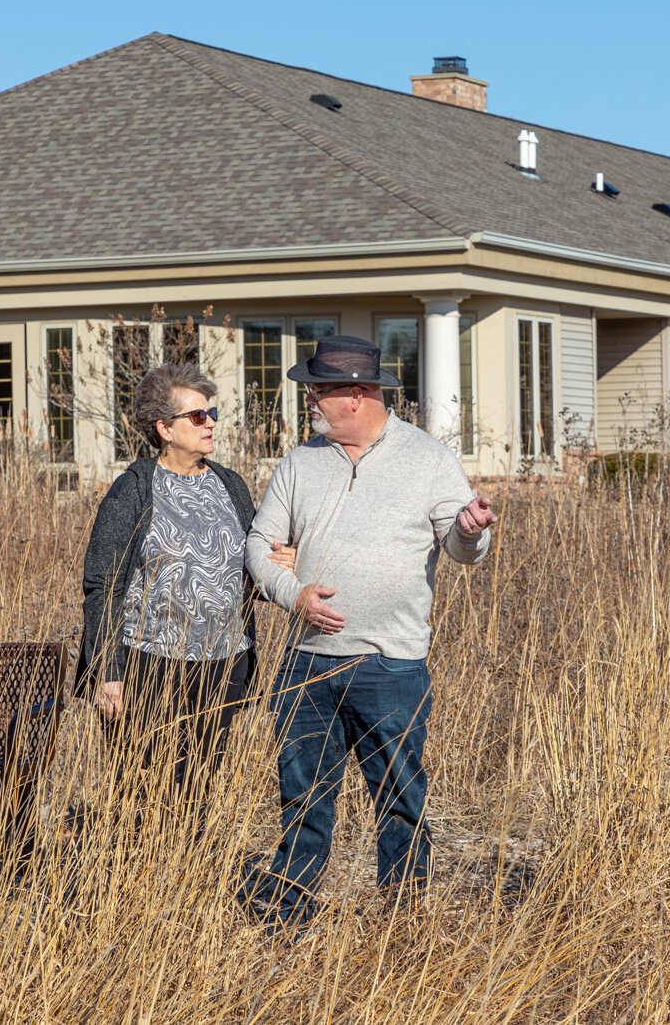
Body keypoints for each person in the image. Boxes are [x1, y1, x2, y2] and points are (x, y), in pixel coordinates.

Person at [240, 335, 499, 928]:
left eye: (318, 391)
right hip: (307, 662)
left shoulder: (428, 458)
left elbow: (464, 548)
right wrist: (292, 593)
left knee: (400, 799)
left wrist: (470, 530)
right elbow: (259, 542)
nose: (309, 401)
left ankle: (403, 923)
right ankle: (289, 915)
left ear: (355, 395)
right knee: (302, 796)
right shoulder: (299, 463)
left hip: (390, 666)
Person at [77, 362, 291, 822]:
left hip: (222, 664)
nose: (211, 421)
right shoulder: (132, 490)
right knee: (141, 788)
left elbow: (243, 574)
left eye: (211, 412)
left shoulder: (229, 485)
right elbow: (103, 585)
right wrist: (106, 671)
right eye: (197, 416)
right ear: (164, 429)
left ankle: (188, 873)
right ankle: (139, 881)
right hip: (147, 665)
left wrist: (273, 568)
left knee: (199, 784)